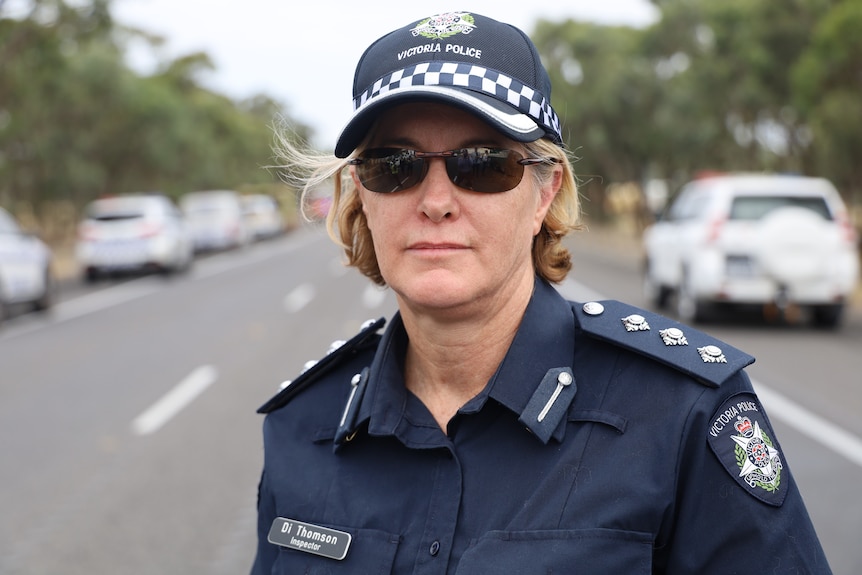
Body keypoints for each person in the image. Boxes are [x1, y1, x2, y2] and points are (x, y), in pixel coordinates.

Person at [251, 11, 832, 574]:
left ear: (545, 192)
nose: (435, 201)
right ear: (361, 194)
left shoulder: (680, 411)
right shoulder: (303, 425)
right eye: (394, 165)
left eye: (481, 165)